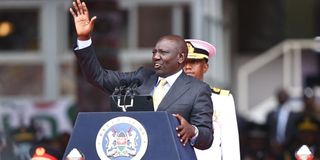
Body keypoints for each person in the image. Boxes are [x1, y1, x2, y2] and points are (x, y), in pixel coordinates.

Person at [69, 0, 213, 150]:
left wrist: (193, 130)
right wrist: (84, 39)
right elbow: (98, 77)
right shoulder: (142, 77)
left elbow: (207, 137)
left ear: (181, 57)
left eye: (163, 53)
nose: (156, 57)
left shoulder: (198, 90)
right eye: (154, 52)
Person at [183, 39, 240, 160]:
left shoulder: (222, 99)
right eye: (183, 62)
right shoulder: (166, 96)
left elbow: (230, 143)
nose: (187, 67)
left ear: (205, 67)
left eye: (193, 62)